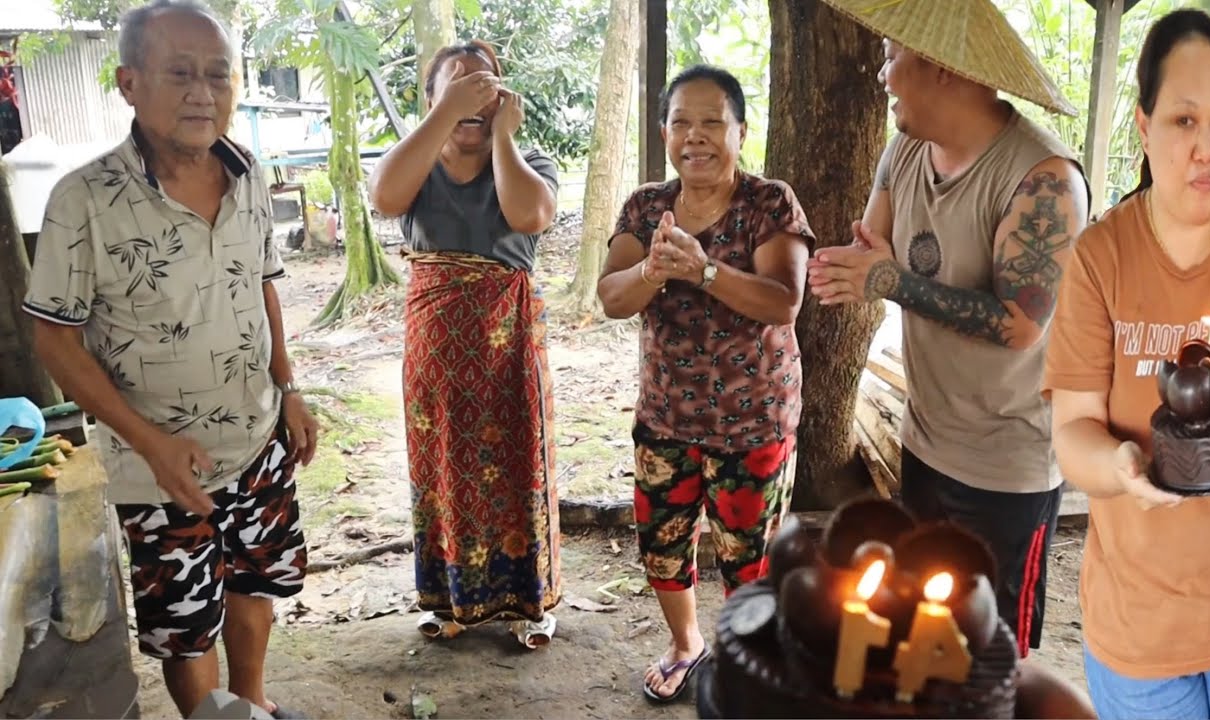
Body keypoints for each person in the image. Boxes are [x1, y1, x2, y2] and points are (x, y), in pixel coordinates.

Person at [22, 1, 318, 717]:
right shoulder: (83, 200)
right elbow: (53, 337)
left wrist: (289, 388)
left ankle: (250, 704)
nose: (203, 92)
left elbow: (264, 285)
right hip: (159, 464)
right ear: (129, 82)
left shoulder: (248, 173)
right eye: (179, 73)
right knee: (186, 625)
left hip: (257, 439)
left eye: (218, 74)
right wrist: (150, 443)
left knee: (256, 587)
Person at [806, 0, 1089, 661]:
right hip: (926, 438)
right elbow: (874, 246)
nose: (883, 74)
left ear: (941, 69)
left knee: (990, 652)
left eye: (891, 58)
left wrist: (888, 280)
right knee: (927, 632)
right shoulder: (906, 149)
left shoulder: (1043, 179)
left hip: (1007, 464)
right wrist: (853, 266)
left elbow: (1021, 324)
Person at [1044, 9, 1210, 719]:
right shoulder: (1100, 259)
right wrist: (1119, 468)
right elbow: (1074, 430)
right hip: (1137, 631)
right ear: (1143, 127)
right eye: (1183, 121)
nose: (1205, 148)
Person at [597, 64, 814, 703]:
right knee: (662, 546)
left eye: (712, 121)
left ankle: (747, 654)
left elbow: (784, 301)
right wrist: (655, 270)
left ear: (740, 131)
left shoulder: (769, 202)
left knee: (748, 556)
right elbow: (610, 296)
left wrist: (704, 270)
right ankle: (686, 643)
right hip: (665, 417)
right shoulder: (645, 206)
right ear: (664, 131)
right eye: (681, 122)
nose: (696, 136)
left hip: (753, 422)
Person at [366, 40, 561, 649]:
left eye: (485, 85)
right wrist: (444, 114)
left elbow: (531, 216)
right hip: (436, 353)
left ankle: (527, 601)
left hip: (508, 350)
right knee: (442, 470)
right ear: (433, 100)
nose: (473, 94)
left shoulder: (528, 161)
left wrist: (502, 135)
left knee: (518, 468)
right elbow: (382, 197)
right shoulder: (417, 168)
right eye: (457, 85)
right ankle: (450, 597)